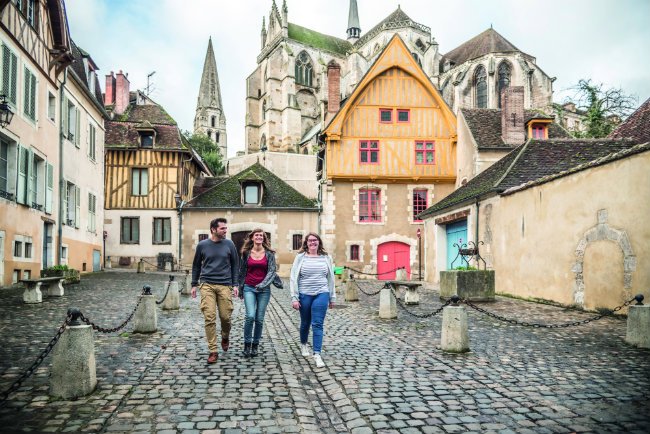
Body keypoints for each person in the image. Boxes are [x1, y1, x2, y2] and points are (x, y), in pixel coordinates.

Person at [191, 218, 239, 364]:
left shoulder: (229, 244)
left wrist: (235, 284)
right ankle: (213, 350)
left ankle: (225, 335)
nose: (225, 231)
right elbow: (196, 266)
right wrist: (194, 284)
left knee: (225, 317)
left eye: (226, 228)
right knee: (209, 317)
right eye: (222, 228)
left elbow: (236, 264)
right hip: (207, 284)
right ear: (213, 229)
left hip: (225, 284)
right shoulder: (202, 245)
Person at [290, 232, 336, 368]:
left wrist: (332, 297)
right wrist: (294, 297)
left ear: (319, 242)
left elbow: (331, 278)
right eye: (310, 241)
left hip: (322, 293)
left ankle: (317, 354)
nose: (312, 243)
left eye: (315, 240)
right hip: (304, 294)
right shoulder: (300, 257)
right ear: (306, 243)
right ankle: (304, 344)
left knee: (317, 324)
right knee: (305, 323)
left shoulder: (326, 257)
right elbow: (293, 278)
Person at [238, 229, 281, 358]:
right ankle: (247, 344)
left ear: (264, 238)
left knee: (259, 319)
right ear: (252, 238)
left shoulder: (269, 254)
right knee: (250, 316)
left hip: (264, 290)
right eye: (256, 235)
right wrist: (240, 288)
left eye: (261, 235)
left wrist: (262, 284)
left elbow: (272, 271)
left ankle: (255, 345)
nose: (259, 237)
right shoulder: (246, 253)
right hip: (249, 288)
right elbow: (242, 271)